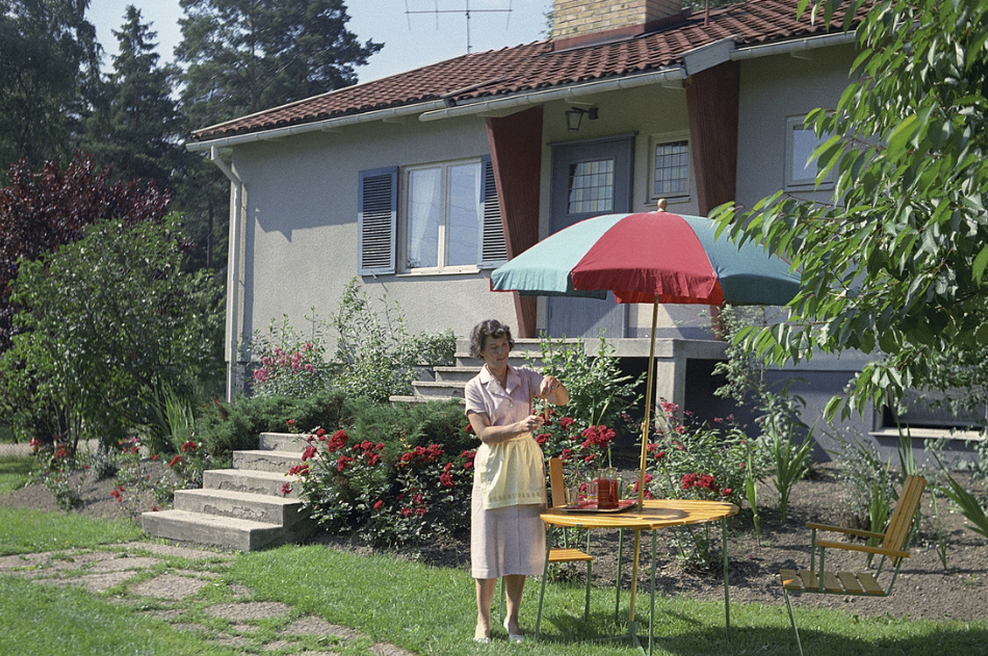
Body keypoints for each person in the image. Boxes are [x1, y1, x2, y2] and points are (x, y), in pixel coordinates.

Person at [464, 319, 569, 643]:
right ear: (480, 351)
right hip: (494, 471)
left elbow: (561, 400)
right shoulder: (475, 387)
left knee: (519, 547)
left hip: (525, 467)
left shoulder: (524, 377)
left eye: (505, 345)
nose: (501, 352)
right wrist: (520, 427)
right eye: (493, 347)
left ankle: (512, 620)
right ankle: (483, 622)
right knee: (488, 547)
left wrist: (554, 384)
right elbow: (484, 434)